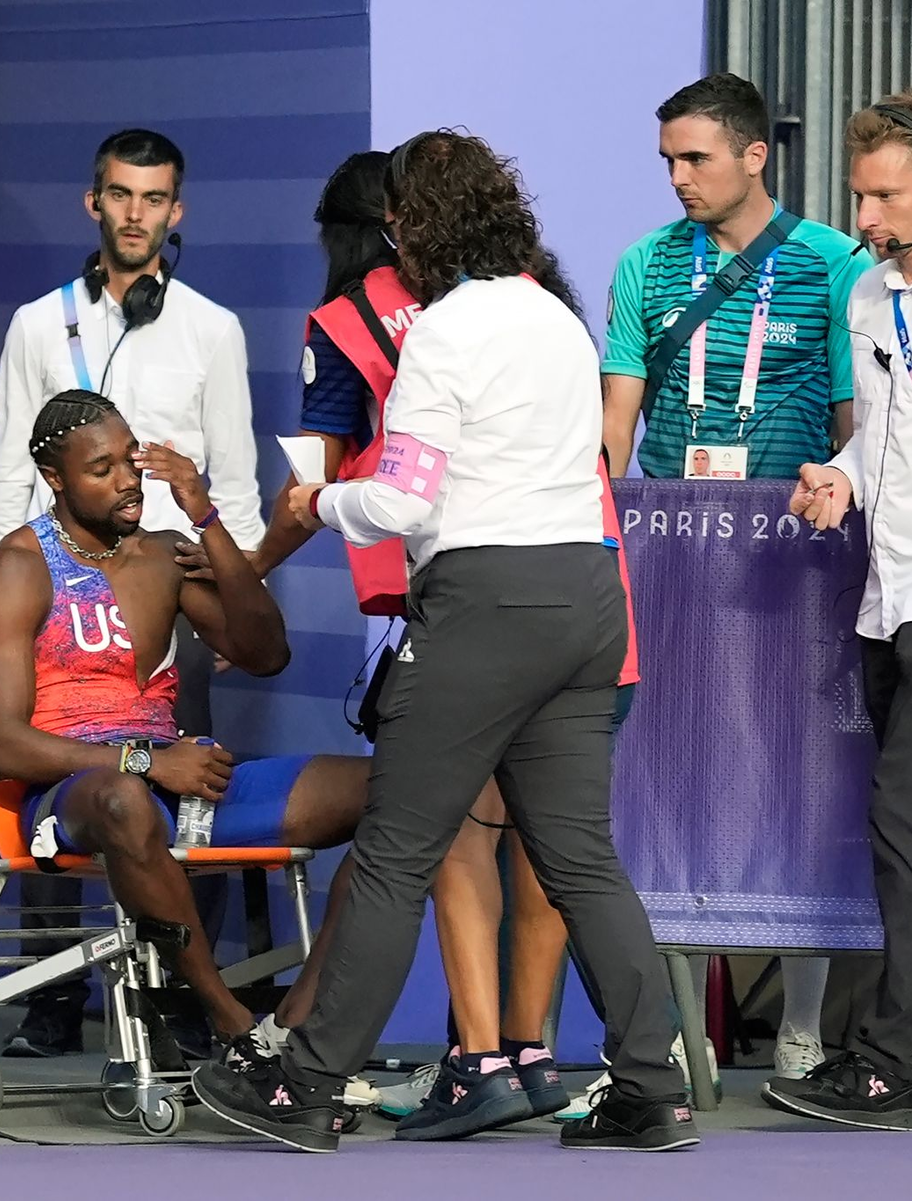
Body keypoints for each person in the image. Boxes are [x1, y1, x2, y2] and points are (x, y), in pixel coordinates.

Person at [191, 131, 697, 1154]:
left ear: (413, 228)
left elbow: (404, 498)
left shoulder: (442, 332)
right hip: (586, 597)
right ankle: (652, 1088)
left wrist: (325, 500)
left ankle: (305, 1083)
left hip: (482, 606)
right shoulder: (554, 315)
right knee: (581, 860)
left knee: (392, 853)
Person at [602, 72, 871, 1083]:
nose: (677, 178)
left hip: (794, 562)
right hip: (670, 556)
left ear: (756, 156)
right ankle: (676, 1021)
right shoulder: (642, 265)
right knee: (668, 781)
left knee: (794, 778)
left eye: (696, 159)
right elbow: (616, 422)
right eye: (668, 159)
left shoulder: (836, 262)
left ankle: (801, 1026)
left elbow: (854, 428)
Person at [0, 389, 367, 1069]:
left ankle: (295, 1022)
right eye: (102, 469)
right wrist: (143, 763)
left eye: (131, 461)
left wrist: (207, 518)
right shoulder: (15, 568)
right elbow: (1, 741)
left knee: (400, 793)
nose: (127, 481)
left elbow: (266, 653)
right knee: (124, 801)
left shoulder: (163, 554)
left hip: (181, 783)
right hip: (79, 791)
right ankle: (229, 1019)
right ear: (55, 479)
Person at [0, 129, 265, 1055]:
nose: (135, 213)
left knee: (188, 782)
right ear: (92, 202)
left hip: (170, 593)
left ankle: (179, 1000)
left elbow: (240, 484)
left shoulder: (211, 329)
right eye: (120, 195)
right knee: (60, 769)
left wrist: (232, 589)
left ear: (175, 212)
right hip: (51, 585)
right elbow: (6, 478)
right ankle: (56, 996)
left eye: (154, 199)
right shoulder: (37, 323)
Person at [768, 94, 912, 1130]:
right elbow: (883, 438)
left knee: (899, 826)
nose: (866, 215)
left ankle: (889, 1058)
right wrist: (844, 478)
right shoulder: (867, 295)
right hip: (886, 599)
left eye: (888, 194)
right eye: (862, 193)